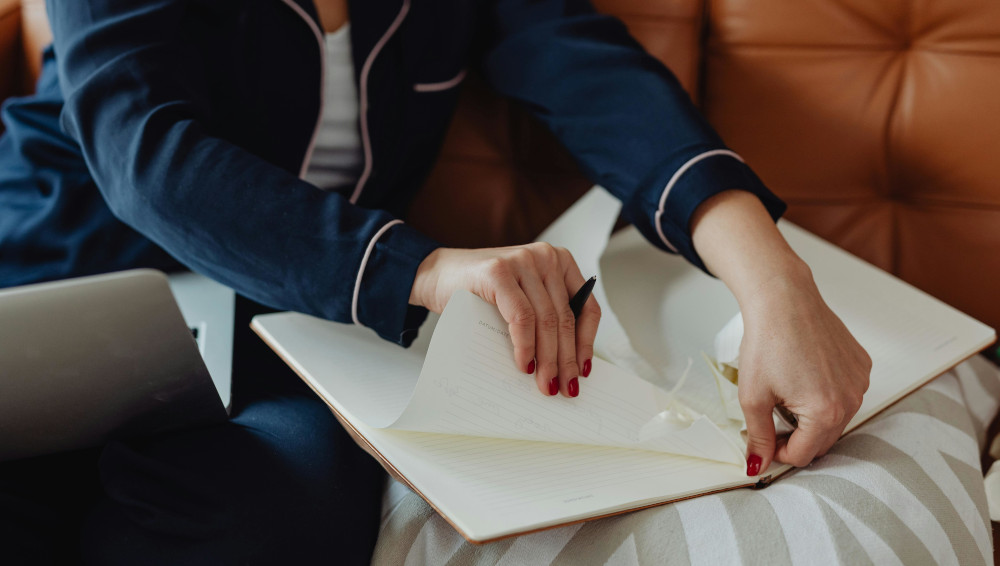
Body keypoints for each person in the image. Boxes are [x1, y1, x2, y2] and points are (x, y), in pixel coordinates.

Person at [0, 0, 871, 563]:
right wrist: (419, 266)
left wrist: (774, 282)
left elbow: (590, 71)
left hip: (299, 308)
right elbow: (146, 154)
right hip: (70, 268)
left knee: (283, 517)